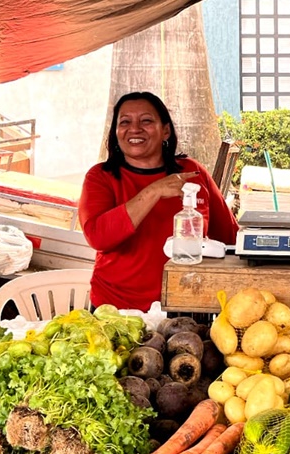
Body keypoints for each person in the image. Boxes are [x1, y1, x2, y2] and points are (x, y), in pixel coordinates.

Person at [78, 91, 238, 311]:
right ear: (115, 133)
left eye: (146, 120)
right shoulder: (100, 177)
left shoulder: (192, 172)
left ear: (165, 131)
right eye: (125, 122)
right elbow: (98, 237)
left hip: (184, 305)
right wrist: (154, 191)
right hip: (117, 310)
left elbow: (229, 237)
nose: (135, 129)